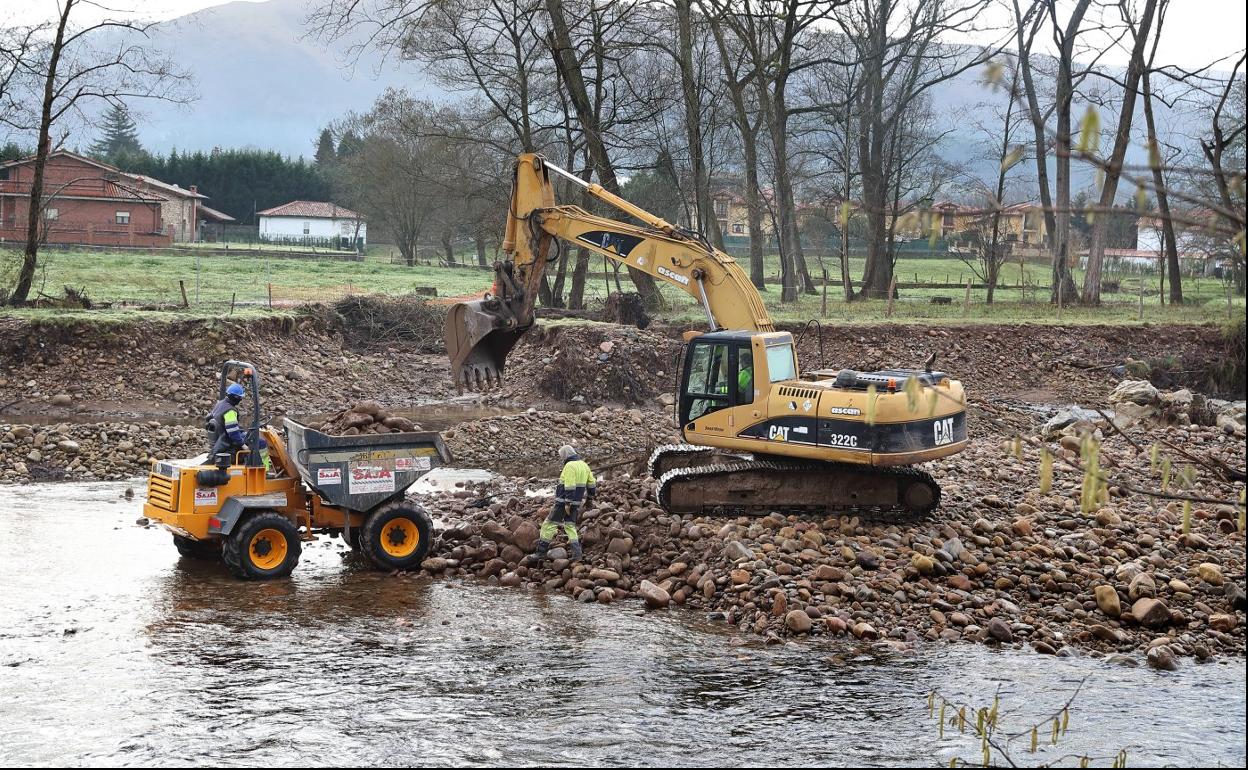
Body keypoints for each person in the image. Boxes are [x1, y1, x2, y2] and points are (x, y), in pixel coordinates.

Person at [530, 444, 596, 563]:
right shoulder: (584, 465)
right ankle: (577, 554)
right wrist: (590, 498)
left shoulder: (569, 466)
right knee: (570, 526)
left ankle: (540, 552)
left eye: (562, 456)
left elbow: (569, 486)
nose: (562, 459)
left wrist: (567, 503)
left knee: (548, 525)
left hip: (563, 503)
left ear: (565, 455)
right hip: (576, 502)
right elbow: (592, 483)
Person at [206, 382, 247, 468]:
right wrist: (243, 445)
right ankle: (264, 470)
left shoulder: (220, 404)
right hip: (227, 444)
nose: (241, 400)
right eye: (240, 398)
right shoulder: (230, 411)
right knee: (259, 442)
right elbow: (233, 433)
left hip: (220, 441)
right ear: (236, 397)